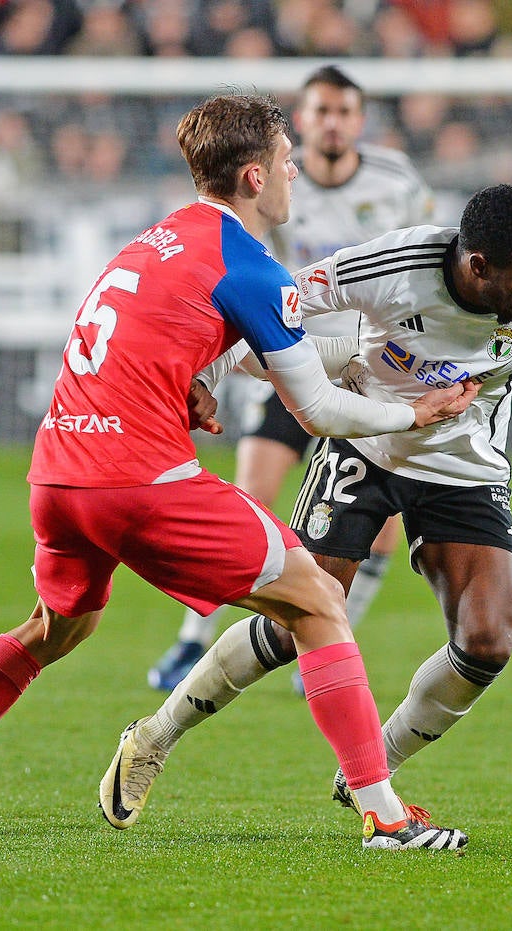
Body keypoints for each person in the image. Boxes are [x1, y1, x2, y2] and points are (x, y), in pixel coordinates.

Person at [0, 92, 475, 851]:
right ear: (254, 177)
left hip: (57, 473)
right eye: (285, 162)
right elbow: (317, 410)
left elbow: (132, 335)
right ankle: (385, 815)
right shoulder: (253, 267)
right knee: (316, 599)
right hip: (136, 480)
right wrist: (415, 414)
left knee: (55, 627)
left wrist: (189, 381)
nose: (294, 176)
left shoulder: (150, 241)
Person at [100, 183, 512, 828]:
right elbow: (266, 303)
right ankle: (153, 738)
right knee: (290, 624)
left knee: (488, 642)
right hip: (368, 445)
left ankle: (372, 768)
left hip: (463, 466)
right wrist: (206, 376)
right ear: (477, 267)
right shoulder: (392, 266)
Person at [149, 65, 436, 695]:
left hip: (366, 365)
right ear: (304, 119)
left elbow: (420, 262)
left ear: (359, 122)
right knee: (252, 494)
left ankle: (330, 642)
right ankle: (191, 642)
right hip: (284, 348)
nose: (332, 122)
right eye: (321, 111)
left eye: (344, 112)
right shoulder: (269, 175)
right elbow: (241, 264)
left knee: (381, 520)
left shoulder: (397, 182)